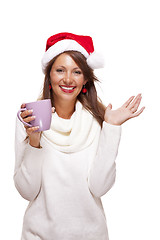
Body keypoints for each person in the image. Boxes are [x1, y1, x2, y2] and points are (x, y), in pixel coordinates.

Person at [14, 32, 145, 240]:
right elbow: (27, 191)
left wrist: (110, 127)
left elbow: (99, 187)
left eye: (76, 72)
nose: (67, 79)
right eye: (60, 70)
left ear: (85, 78)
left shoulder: (98, 120)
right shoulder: (29, 118)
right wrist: (34, 141)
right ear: (49, 76)